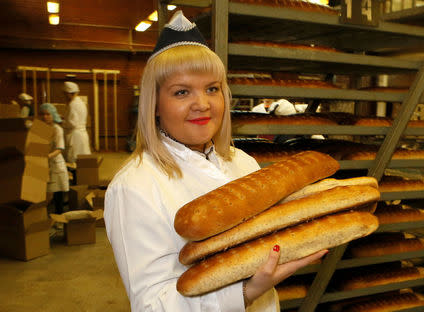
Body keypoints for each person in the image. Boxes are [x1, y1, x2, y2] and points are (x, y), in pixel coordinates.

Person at [104, 11, 327, 312]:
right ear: (154, 104)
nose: (202, 104)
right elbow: (150, 306)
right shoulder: (134, 187)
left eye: (212, 88)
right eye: (182, 92)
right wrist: (246, 292)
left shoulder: (243, 163)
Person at [39, 103, 69, 214]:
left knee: (57, 192)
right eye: (42, 114)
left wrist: (46, 156)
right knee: (46, 192)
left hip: (55, 163)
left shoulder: (57, 129)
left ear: (53, 115)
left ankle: (59, 218)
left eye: (48, 114)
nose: (45, 117)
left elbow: (59, 149)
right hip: (44, 163)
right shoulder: (41, 128)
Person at [61, 81, 91, 163]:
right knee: (83, 159)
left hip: (75, 136)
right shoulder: (81, 103)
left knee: (74, 160)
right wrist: (65, 118)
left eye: (65, 94)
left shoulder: (72, 104)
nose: (64, 96)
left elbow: (72, 123)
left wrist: (62, 122)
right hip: (82, 134)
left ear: (69, 93)